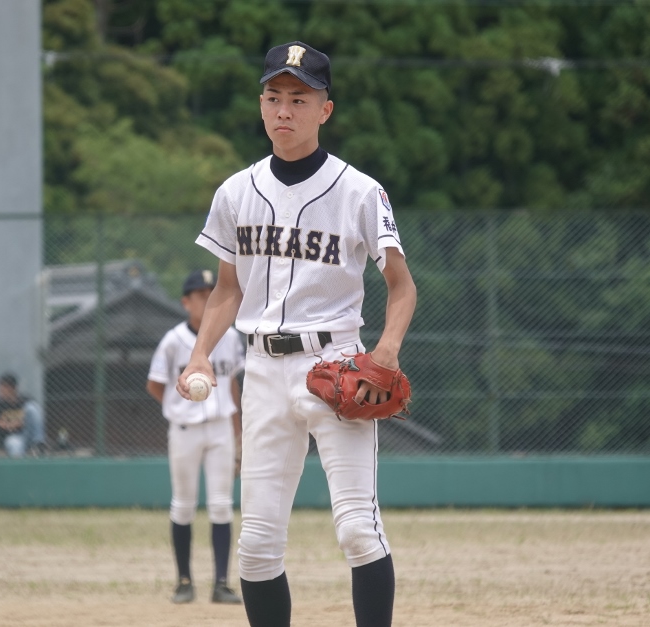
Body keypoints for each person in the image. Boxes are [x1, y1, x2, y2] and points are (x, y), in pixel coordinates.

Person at [176, 42, 417, 627]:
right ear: (262, 104)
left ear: (324, 110)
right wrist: (200, 354)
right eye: (274, 96)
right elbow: (227, 290)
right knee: (256, 546)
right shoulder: (235, 192)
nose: (284, 110)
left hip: (336, 365)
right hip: (261, 369)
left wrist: (384, 353)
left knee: (358, 530)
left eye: (299, 99)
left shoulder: (359, 192)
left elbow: (402, 286)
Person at [147, 269, 245, 605]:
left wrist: (238, 430)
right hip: (185, 430)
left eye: (210, 293)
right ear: (186, 302)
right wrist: (176, 408)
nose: (206, 299)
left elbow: (232, 384)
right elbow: (154, 383)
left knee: (221, 506)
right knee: (183, 504)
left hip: (220, 429)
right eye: (200, 295)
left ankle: (221, 584)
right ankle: (184, 582)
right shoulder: (173, 340)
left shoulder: (230, 337)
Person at [0, 372, 46, 458]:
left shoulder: (25, 400)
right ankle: (21, 466)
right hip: (12, 437)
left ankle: (38, 443)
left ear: (12, 388)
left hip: (27, 433)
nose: (0, 392)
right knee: (14, 444)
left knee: (32, 407)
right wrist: (0, 423)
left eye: (3, 388)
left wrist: (19, 423)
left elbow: (34, 417)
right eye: (0, 388)